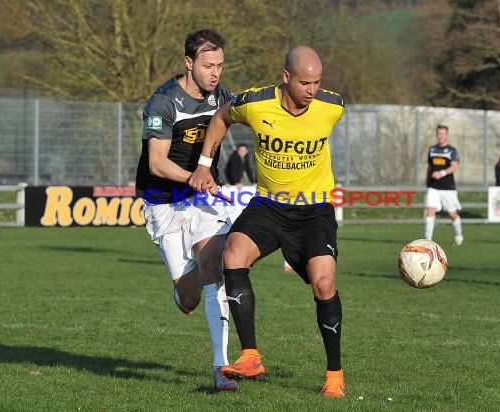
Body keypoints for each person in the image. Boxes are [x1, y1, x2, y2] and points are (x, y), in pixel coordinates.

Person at [188, 45, 347, 398]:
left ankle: (334, 374)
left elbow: (324, 103)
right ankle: (250, 356)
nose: (312, 90)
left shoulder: (332, 107)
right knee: (232, 256)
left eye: (317, 82)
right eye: (305, 82)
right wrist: (203, 163)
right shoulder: (255, 103)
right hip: (268, 207)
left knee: (323, 285)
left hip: (314, 210)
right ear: (285, 76)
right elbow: (221, 118)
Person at [134, 29, 237, 391]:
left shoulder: (223, 98)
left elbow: (255, 113)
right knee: (190, 298)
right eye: (208, 65)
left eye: (220, 65)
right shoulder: (162, 102)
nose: (215, 73)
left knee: (215, 268)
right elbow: (158, 163)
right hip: (162, 203)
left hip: (202, 199)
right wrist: (196, 176)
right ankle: (182, 289)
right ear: (189, 63)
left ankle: (221, 369)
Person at [424, 124, 464, 246]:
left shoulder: (452, 150)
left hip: (448, 188)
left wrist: (441, 173)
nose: (440, 136)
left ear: (447, 135)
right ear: (436, 135)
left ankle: (458, 235)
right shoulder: (432, 150)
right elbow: (430, 167)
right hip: (433, 187)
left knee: (452, 214)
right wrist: (427, 182)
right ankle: (428, 240)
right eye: (438, 134)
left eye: (443, 134)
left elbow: (454, 167)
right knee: (430, 210)